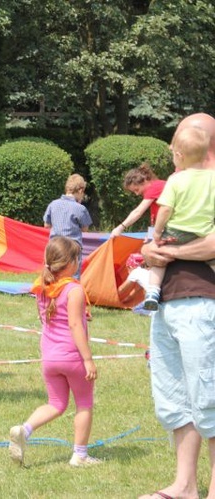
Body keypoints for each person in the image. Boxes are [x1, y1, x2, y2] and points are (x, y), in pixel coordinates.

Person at [137, 112, 215, 499]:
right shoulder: (185, 182)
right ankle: (185, 487)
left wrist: (166, 250)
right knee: (173, 398)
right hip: (167, 302)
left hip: (203, 300)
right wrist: (151, 247)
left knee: (209, 398)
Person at [8, 236, 99, 468]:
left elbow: (51, 316)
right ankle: (80, 455)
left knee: (56, 403)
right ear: (69, 263)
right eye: (77, 258)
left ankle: (24, 430)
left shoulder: (41, 286)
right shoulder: (73, 289)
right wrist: (87, 359)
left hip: (50, 356)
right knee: (84, 403)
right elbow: (74, 325)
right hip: (72, 356)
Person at [143, 126, 215, 311]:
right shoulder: (212, 178)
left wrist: (157, 233)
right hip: (203, 232)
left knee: (159, 258)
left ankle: (152, 291)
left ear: (180, 156)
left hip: (175, 232)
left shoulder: (175, 179)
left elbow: (165, 210)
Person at [43, 174, 93, 278]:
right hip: (72, 248)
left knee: (53, 272)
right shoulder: (80, 208)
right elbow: (85, 229)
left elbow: (46, 225)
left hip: (55, 246)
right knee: (72, 276)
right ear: (80, 190)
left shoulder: (53, 204)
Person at [110, 163, 166, 239]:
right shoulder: (157, 185)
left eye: (137, 189)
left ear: (145, 181)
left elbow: (138, 212)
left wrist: (120, 228)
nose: (137, 194)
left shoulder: (154, 188)